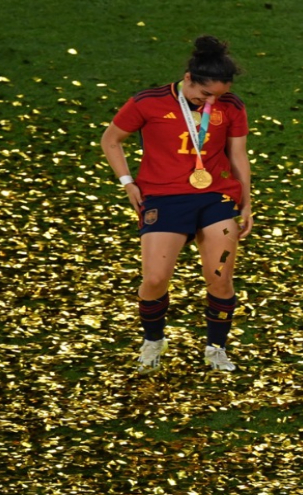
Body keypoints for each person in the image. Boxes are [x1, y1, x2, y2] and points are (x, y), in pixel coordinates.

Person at [101, 35, 252, 373]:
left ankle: (216, 348)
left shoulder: (232, 105)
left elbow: (238, 154)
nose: (211, 101)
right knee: (154, 279)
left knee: (221, 279)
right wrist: (127, 183)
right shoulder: (147, 102)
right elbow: (110, 140)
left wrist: (247, 203)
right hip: (164, 197)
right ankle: (154, 340)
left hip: (216, 197)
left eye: (219, 96)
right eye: (205, 94)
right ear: (187, 78)